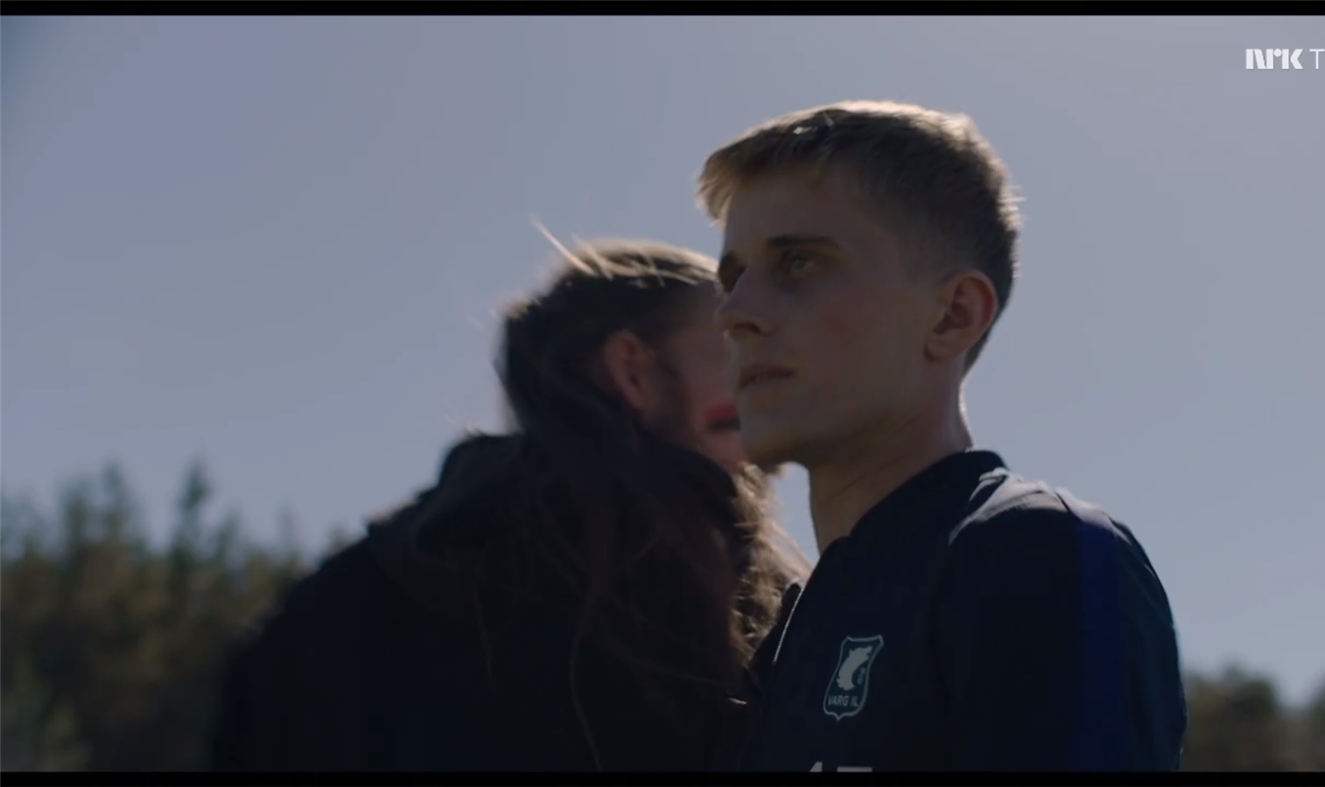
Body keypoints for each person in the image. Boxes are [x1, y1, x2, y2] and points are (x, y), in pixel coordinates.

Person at [699, 101, 1187, 771]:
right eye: (733, 278)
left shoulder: (1030, 554)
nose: (734, 313)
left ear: (953, 315)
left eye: (799, 263)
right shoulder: (791, 636)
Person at [208, 238, 808, 772]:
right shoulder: (652, 590)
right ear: (633, 371)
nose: (759, 382)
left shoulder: (342, 598)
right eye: (733, 345)